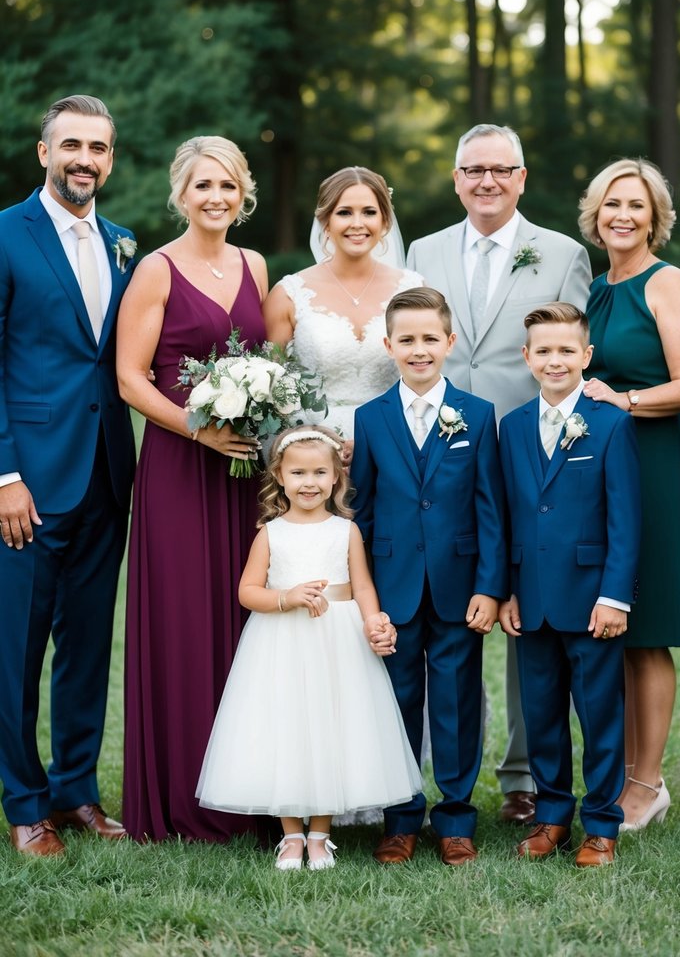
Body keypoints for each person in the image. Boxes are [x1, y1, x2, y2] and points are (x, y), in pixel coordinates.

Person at [407, 124, 591, 825]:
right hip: (441, 461)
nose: (485, 181)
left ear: (520, 177)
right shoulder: (421, 251)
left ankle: (522, 776)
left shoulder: (564, 252)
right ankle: (423, 770)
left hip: (530, 460)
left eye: (499, 169)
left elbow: (568, 351)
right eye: (472, 169)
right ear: (456, 179)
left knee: (526, 614)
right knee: (439, 609)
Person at [117, 135, 269, 842]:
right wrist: (198, 430)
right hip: (181, 468)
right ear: (181, 194)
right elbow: (129, 378)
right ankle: (181, 797)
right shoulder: (155, 269)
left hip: (242, 472)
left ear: (243, 195)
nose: (215, 198)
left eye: (227, 187)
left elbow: (261, 360)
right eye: (203, 186)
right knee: (183, 622)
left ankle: (249, 790)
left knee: (242, 622)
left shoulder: (255, 265)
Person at [0, 94, 136, 857]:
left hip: (106, 478)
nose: (86, 158)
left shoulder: (122, 243)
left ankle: (75, 789)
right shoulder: (5, 235)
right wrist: (4, 475)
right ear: (44, 151)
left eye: (99, 147)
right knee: (15, 650)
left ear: (111, 159)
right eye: (72, 145)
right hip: (26, 484)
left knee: (86, 645)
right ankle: (25, 804)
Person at [197, 426, 422, 870]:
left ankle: (320, 834)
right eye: (298, 472)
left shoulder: (347, 531)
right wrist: (287, 597)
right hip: (281, 642)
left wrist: (374, 621)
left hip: (338, 643)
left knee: (331, 729)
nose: (309, 482)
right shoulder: (270, 533)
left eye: (320, 472)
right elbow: (247, 591)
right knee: (288, 731)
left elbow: (362, 587)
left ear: (337, 477)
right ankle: (291, 836)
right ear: (279, 476)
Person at [351, 287, 508, 866]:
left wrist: (490, 587)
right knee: (396, 701)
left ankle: (457, 818)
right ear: (388, 345)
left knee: (457, 702)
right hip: (393, 587)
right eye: (407, 340)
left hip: (459, 587)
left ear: (450, 342)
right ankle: (399, 818)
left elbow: (491, 509)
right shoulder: (370, 420)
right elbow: (361, 515)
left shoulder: (476, 413)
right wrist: (365, 597)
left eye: (429, 339)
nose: (419, 351)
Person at [578, 158, 680, 831]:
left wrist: (621, 399)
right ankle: (622, 774)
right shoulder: (597, 289)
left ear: (655, 216)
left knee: (646, 627)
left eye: (634, 204)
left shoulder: (667, 283)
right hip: (601, 473)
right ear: (594, 216)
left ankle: (647, 782)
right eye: (609, 205)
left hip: (652, 465)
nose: (621, 215)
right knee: (615, 628)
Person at [498, 304, 641, 867]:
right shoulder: (509, 428)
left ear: (586, 356)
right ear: (526, 357)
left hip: (591, 600)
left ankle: (602, 823)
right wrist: (506, 589)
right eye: (543, 351)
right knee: (541, 714)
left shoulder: (611, 423)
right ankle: (553, 814)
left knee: (600, 713)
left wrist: (615, 596)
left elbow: (626, 518)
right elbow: (505, 515)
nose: (554, 360)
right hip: (530, 600)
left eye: (566, 351)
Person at [264, 166, 422, 451]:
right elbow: (270, 390)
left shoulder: (413, 290)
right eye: (344, 212)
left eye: (369, 212)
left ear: (385, 220)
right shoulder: (288, 294)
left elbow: (427, 377)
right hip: (311, 454)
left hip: (394, 448)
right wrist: (314, 441)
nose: (357, 223)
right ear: (325, 221)